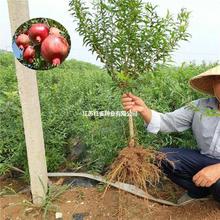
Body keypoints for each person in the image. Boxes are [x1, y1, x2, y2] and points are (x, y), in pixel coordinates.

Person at [121, 65, 220, 205]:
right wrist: (143, 110)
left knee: (219, 185)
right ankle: (199, 191)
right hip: (204, 158)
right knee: (160, 157)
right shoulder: (199, 106)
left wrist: (218, 169)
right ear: (213, 84)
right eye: (219, 80)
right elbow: (166, 122)